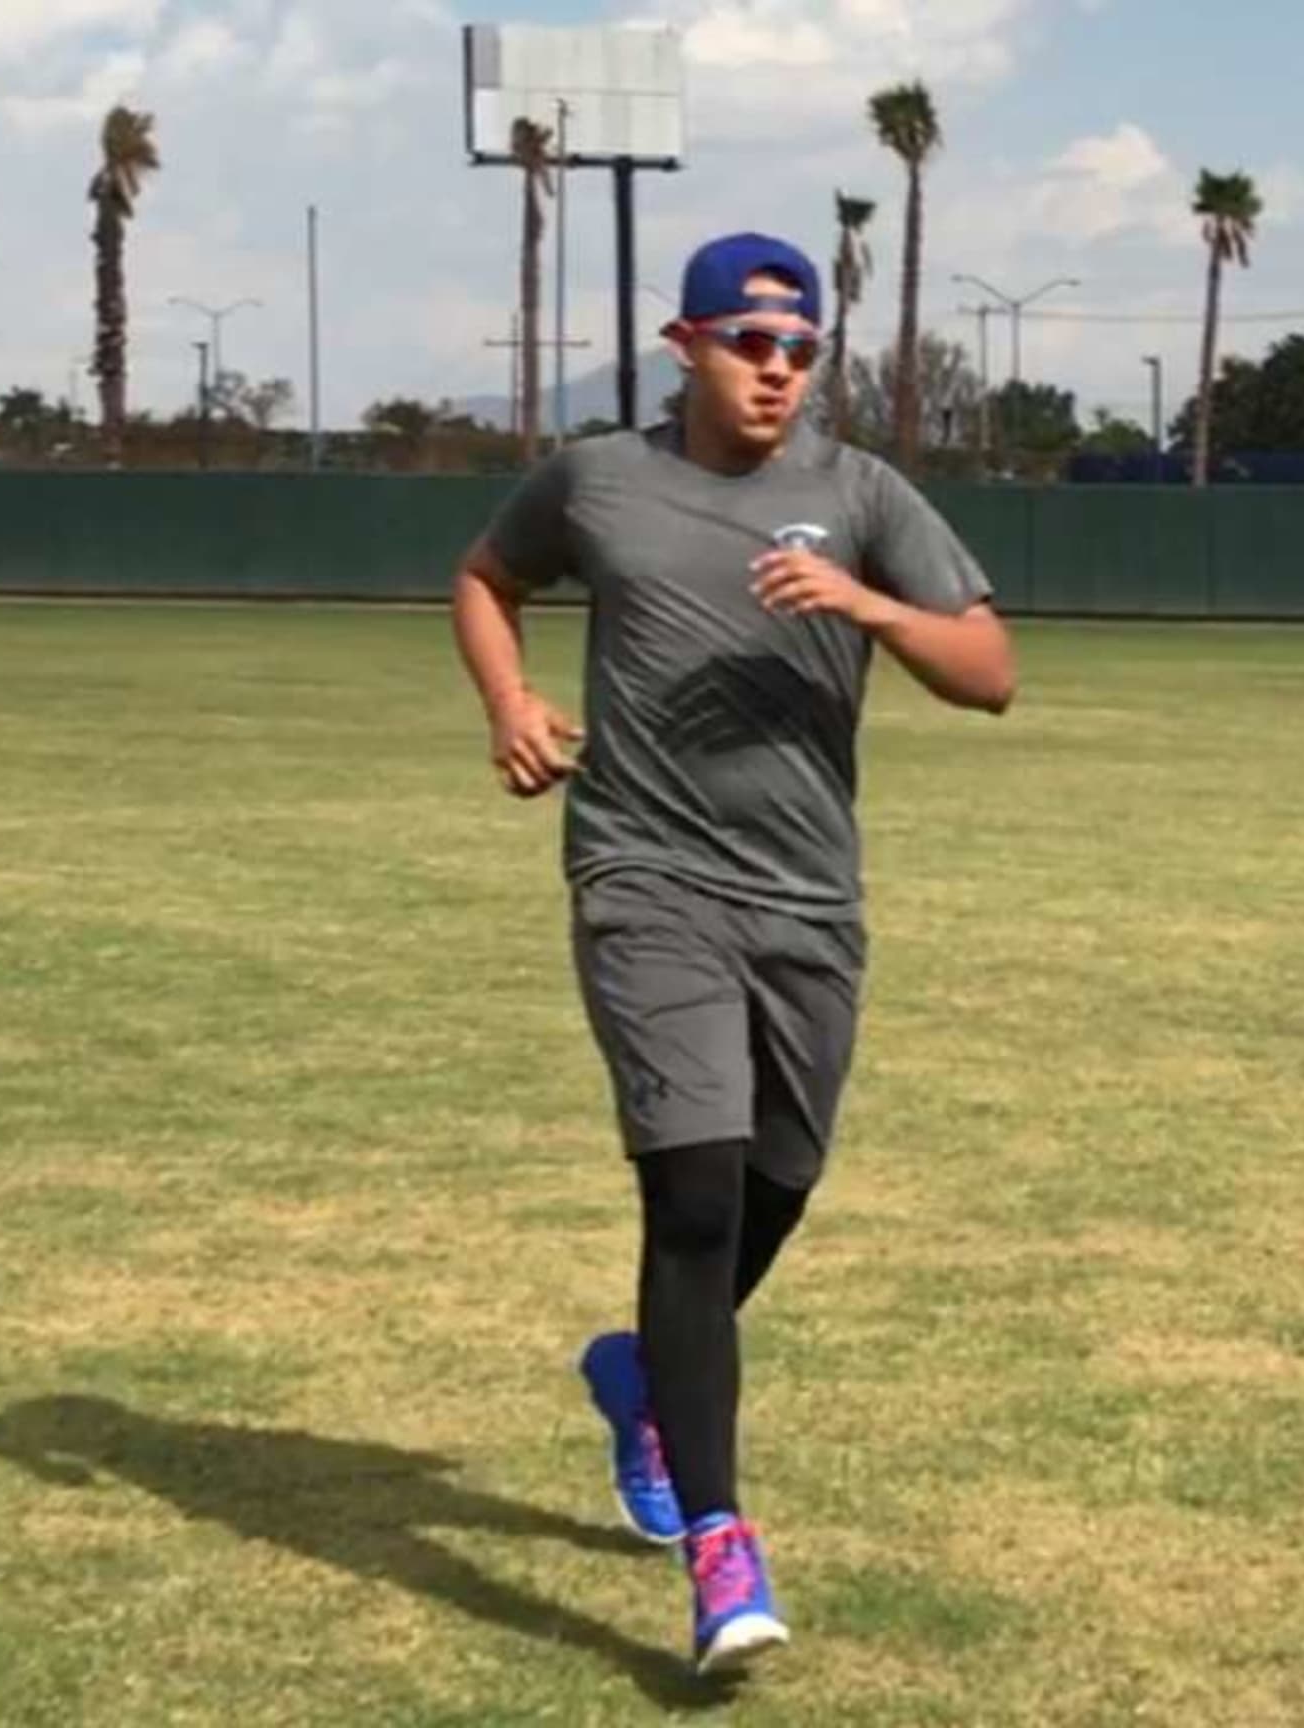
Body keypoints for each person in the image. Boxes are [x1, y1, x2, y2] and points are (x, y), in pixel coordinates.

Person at [448, 232, 1017, 1677]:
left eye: (800, 350)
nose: (777, 371)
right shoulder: (596, 478)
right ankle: (720, 1545)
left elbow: (991, 674)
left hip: (810, 898)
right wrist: (511, 704)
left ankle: (641, 1376)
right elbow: (485, 577)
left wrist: (873, 606)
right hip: (645, 872)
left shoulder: (860, 494)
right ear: (683, 345)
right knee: (692, 1191)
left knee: (779, 1181)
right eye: (749, 344)